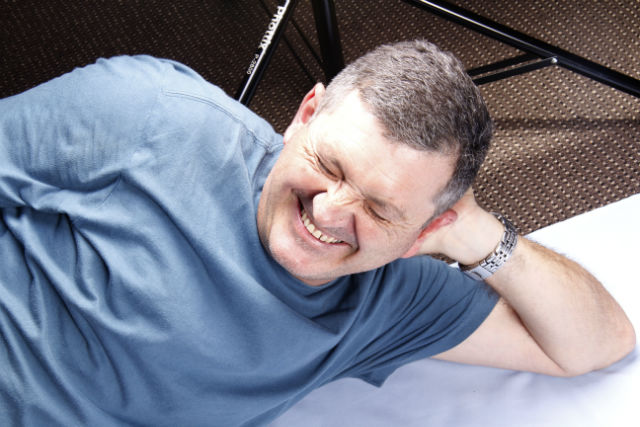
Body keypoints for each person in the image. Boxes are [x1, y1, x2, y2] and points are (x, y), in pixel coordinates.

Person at [0, 40, 634, 425]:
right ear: (305, 114)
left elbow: (595, 345)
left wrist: (477, 235)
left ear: (427, 227)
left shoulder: (391, 298)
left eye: (380, 209)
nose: (329, 213)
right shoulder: (152, 113)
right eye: (330, 166)